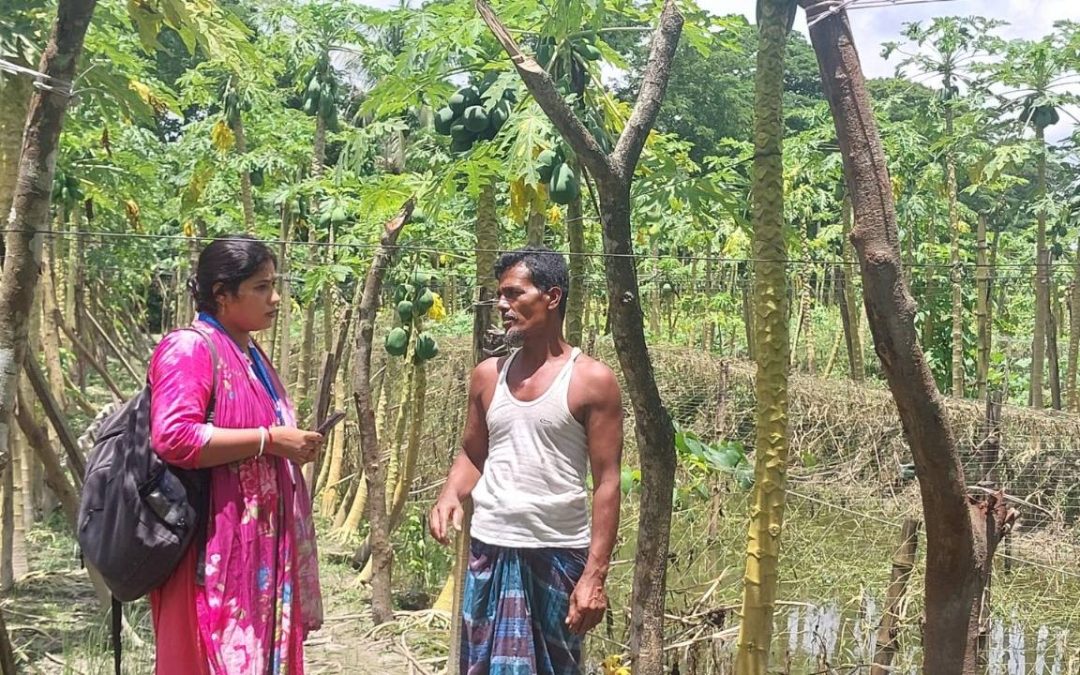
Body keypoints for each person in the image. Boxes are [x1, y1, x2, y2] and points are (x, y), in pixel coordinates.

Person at [429, 245, 624, 674]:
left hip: (556, 553)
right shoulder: (488, 376)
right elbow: (473, 453)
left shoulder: (592, 381)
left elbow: (607, 482)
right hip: (490, 547)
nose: (502, 304)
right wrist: (450, 494)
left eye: (514, 294)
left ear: (552, 297)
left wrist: (595, 575)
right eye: (500, 295)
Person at [148, 235, 323, 674]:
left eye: (274, 285)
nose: (275, 298)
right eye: (262, 287)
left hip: (259, 544)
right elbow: (174, 436)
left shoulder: (250, 352)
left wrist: (287, 444)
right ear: (222, 294)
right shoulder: (190, 348)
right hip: (211, 548)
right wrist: (268, 440)